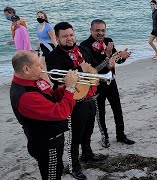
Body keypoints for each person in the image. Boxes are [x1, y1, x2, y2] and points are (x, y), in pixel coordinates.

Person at [46, 22, 106, 180]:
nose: (69, 38)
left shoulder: (83, 49)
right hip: (72, 101)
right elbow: (57, 77)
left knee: (88, 130)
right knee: (74, 137)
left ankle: (87, 154)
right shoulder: (53, 56)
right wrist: (81, 70)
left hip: (90, 97)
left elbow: (93, 68)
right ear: (57, 38)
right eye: (64, 36)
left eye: (71, 35)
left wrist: (109, 62)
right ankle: (74, 166)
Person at [10, 50, 78, 180]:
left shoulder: (33, 80)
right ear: (26, 69)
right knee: (52, 176)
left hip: (52, 137)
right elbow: (61, 112)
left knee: (57, 170)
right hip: (46, 143)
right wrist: (70, 88)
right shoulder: (25, 96)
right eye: (38, 65)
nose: (42, 67)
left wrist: (65, 87)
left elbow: (51, 97)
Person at [80, 19, 135, 148]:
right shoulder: (84, 46)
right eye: (97, 30)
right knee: (101, 113)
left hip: (110, 81)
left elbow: (117, 61)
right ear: (91, 30)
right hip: (96, 84)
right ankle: (104, 137)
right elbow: (93, 70)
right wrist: (109, 58)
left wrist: (122, 57)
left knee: (117, 109)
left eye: (103, 30)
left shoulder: (108, 41)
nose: (100, 33)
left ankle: (121, 135)